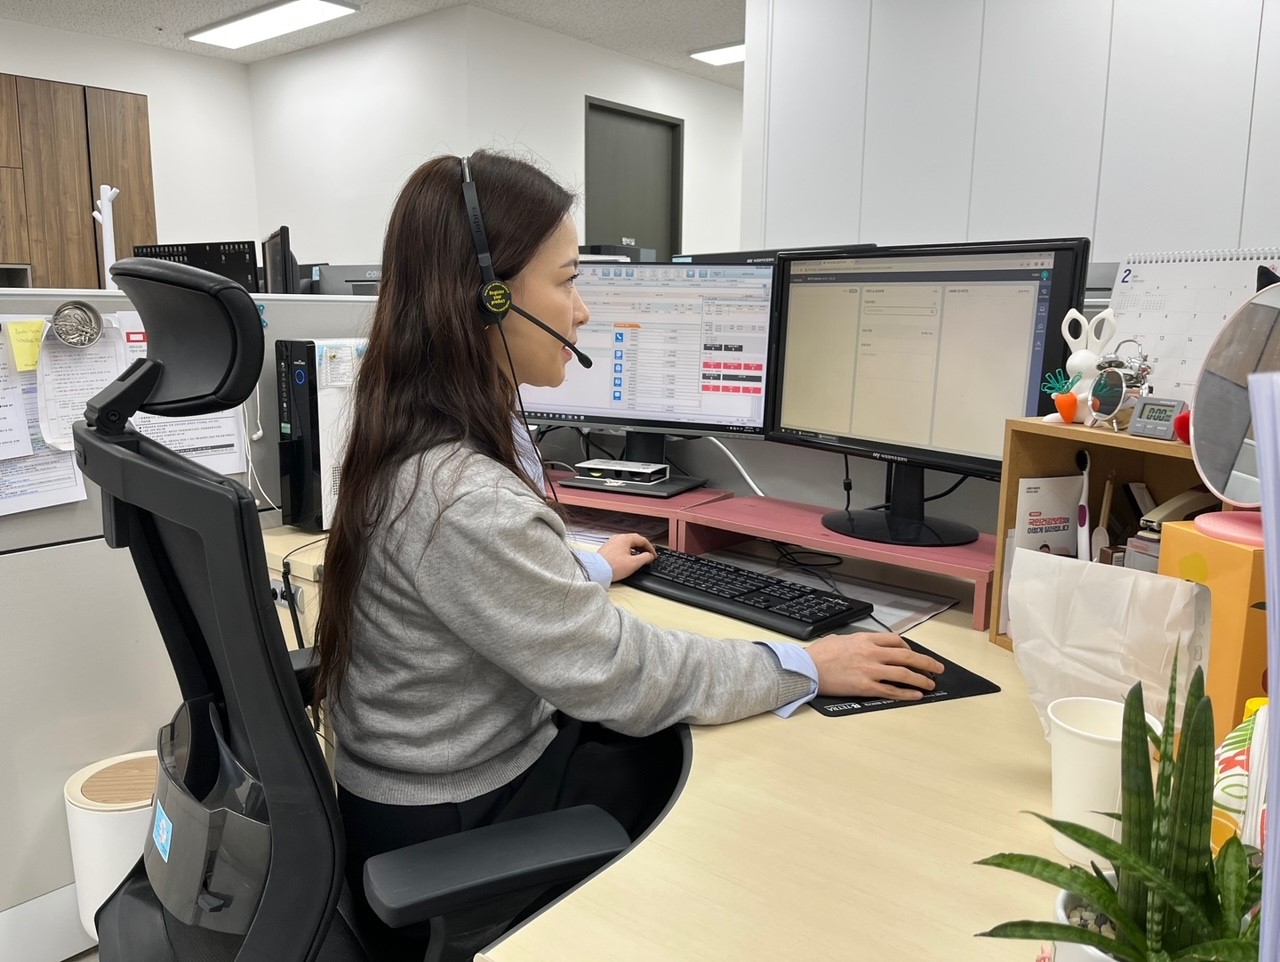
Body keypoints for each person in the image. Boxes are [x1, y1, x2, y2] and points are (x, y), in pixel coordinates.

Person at [313, 150, 943, 958]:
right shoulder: (465, 498)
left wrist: (585, 568)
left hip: (418, 787)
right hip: (455, 818)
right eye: (568, 281)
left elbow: (473, 592)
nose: (581, 312)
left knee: (682, 738)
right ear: (490, 296)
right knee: (725, 783)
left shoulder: (412, 439)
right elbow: (626, 675)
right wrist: (806, 666)